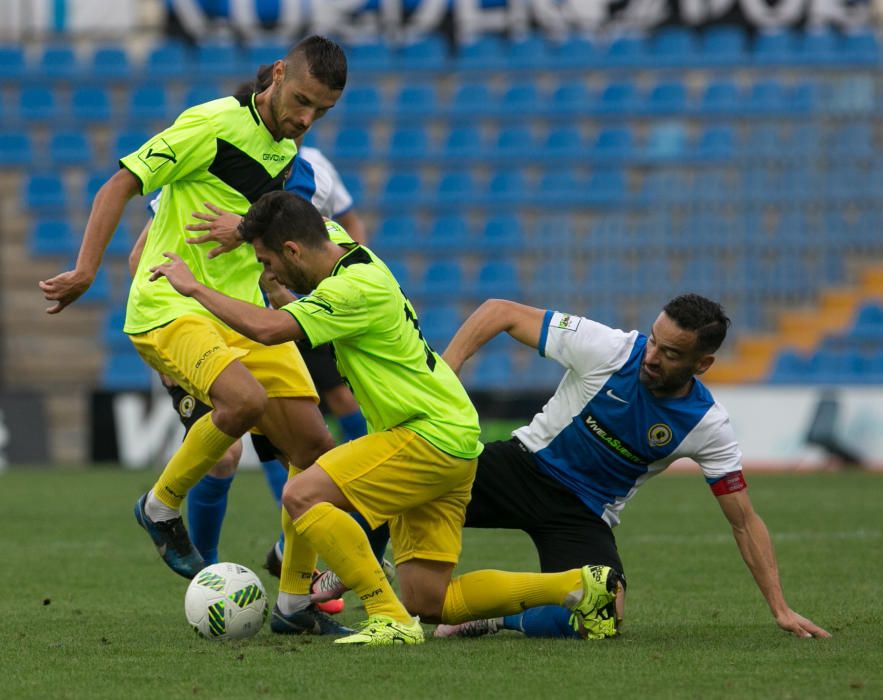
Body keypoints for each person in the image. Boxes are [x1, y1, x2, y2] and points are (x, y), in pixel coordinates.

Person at [149, 190, 624, 646]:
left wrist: (192, 288)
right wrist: (246, 232)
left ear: (292, 249)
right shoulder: (351, 254)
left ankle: (386, 616)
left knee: (301, 494)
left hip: (424, 434)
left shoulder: (352, 289)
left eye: (268, 262)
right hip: (452, 437)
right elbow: (305, 244)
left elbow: (271, 330)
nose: (267, 272)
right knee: (431, 600)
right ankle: (582, 585)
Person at [40, 36, 356, 636]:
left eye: (321, 111)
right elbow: (121, 184)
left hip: (241, 314)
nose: (306, 118)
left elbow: (254, 228)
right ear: (279, 73)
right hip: (172, 302)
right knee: (243, 403)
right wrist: (85, 270)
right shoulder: (210, 125)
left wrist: (266, 258)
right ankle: (159, 508)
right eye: (302, 101)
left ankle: (293, 606)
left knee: (315, 452)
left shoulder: (289, 148)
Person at [429, 294, 830, 640]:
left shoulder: (706, 424)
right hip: (522, 467)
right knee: (402, 488)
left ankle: (497, 618)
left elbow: (744, 521)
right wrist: (447, 371)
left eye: (671, 353)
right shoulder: (609, 348)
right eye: (654, 340)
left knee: (605, 615)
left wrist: (781, 608)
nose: (652, 357)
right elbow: (501, 311)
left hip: (581, 512)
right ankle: (380, 595)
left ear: (702, 363)